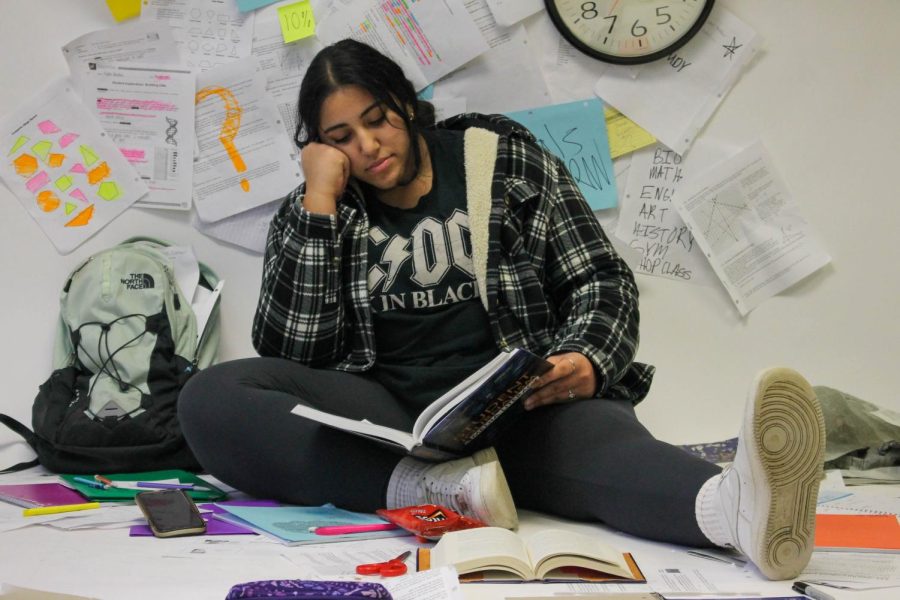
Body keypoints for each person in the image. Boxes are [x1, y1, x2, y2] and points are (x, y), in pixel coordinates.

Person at [178, 39, 825, 581]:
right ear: (319, 146)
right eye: (341, 137)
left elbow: (601, 278)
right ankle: (433, 489)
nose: (370, 146)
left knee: (604, 444)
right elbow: (295, 353)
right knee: (210, 398)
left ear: (404, 102)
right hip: (391, 416)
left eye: (377, 119)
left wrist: (587, 360)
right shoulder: (323, 205)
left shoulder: (501, 160)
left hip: (521, 405)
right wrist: (318, 204)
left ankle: (731, 509)